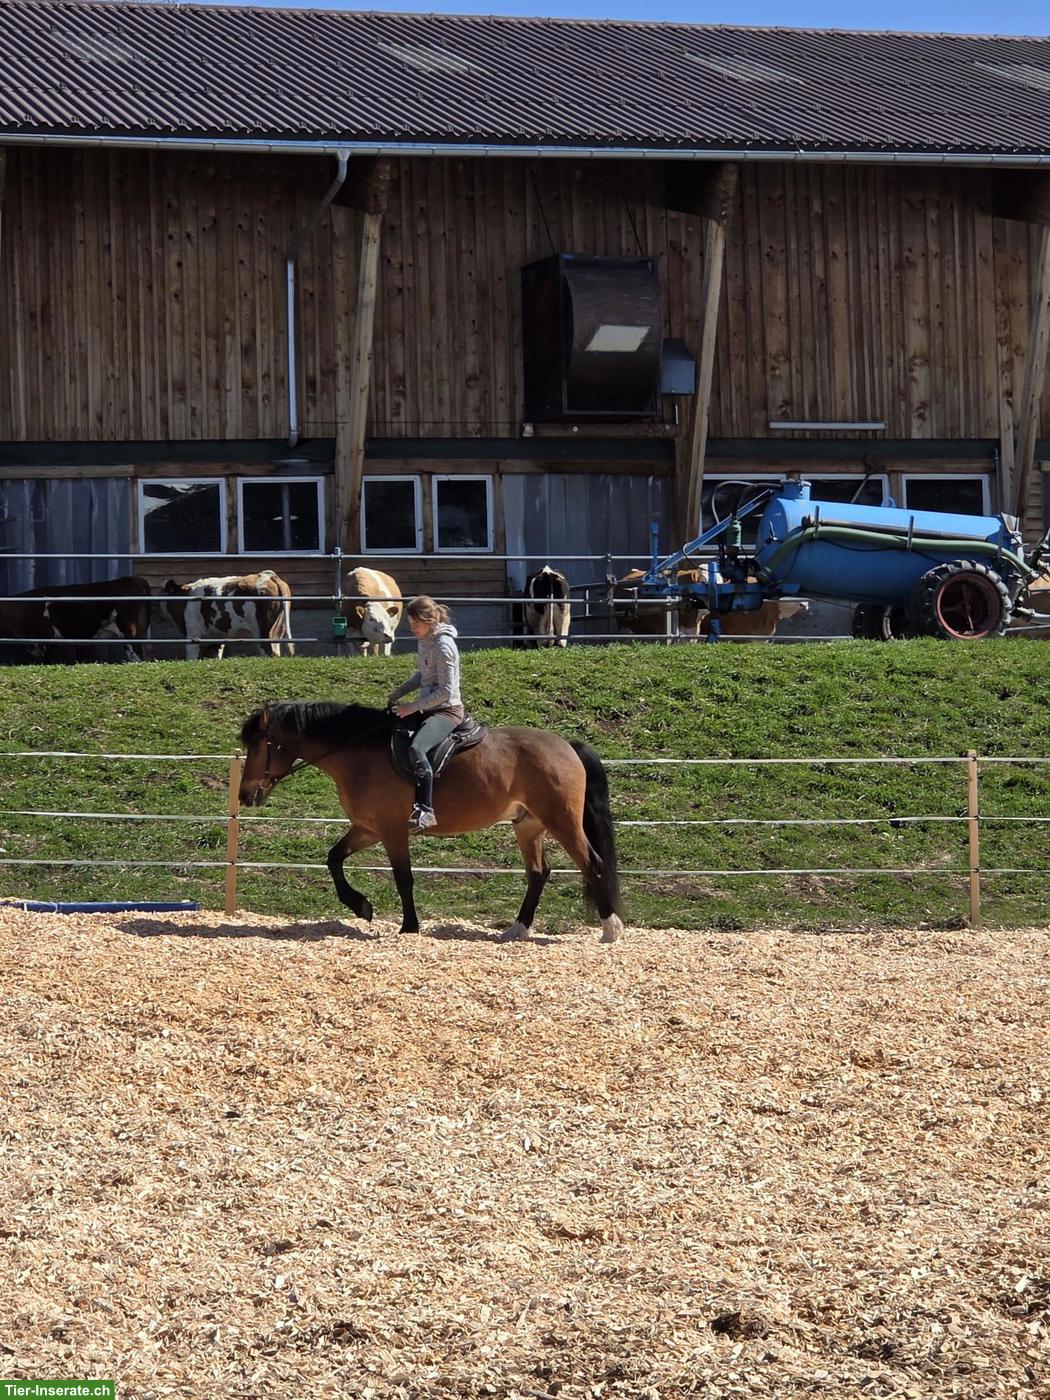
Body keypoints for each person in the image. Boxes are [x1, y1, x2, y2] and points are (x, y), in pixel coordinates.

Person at [387, 596, 464, 833]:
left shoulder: (443, 646)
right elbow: (424, 676)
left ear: (429, 621)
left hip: (446, 710)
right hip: (427, 706)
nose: (412, 630)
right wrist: (398, 693)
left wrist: (412, 707)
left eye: (415, 625)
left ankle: (425, 810)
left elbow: (446, 691)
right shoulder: (425, 640)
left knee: (417, 748)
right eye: (410, 625)